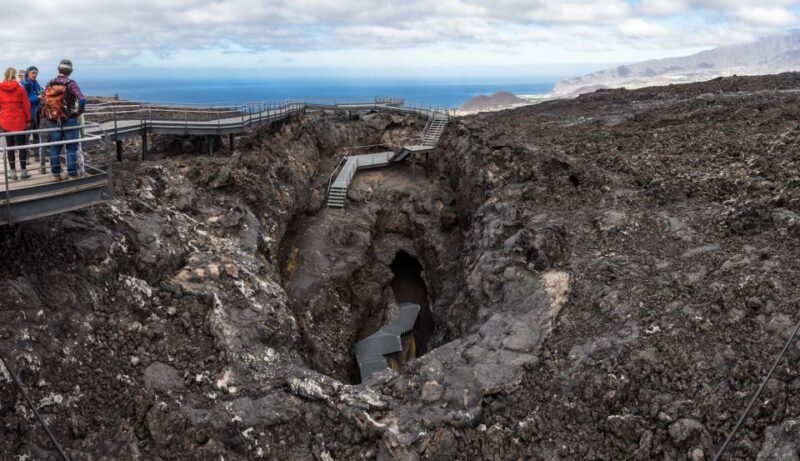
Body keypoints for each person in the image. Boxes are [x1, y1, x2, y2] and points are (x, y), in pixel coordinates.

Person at [42, 59, 86, 179]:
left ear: (59, 69)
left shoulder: (50, 83)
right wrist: (78, 113)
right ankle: (72, 173)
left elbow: (44, 98)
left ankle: (56, 173)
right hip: (69, 118)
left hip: (53, 119)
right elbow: (82, 99)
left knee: (55, 146)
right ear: (70, 71)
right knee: (71, 147)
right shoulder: (71, 83)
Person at [0, 67, 32, 180]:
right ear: (15, 76)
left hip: (6, 122)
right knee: (21, 147)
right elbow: (27, 106)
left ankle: (12, 172)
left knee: (10, 148)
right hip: (20, 122)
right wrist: (28, 120)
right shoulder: (20, 88)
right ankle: (23, 171)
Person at [21, 66, 44, 173]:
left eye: (36, 73)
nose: (35, 75)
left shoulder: (36, 83)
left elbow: (40, 91)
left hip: (36, 114)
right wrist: (38, 97)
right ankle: (26, 158)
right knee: (26, 137)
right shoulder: (25, 84)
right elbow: (25, 100)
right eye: (33, 73)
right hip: (28, 115)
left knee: (36, 135)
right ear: (28, 73)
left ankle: (37, 156)